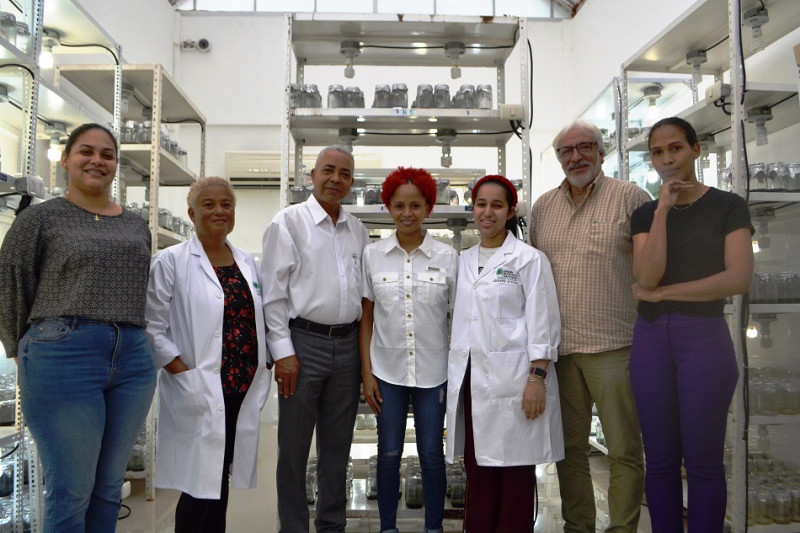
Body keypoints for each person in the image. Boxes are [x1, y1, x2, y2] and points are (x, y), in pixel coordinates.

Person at [0, 123, 157, 532]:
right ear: (67, 159)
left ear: (115, 165)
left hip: (133, 359)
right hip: (62, 354)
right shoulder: (40, 219)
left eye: (107, 155)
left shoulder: (136, 224)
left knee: (108, 487)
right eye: (86, 151)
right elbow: (10, 282)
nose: (97, 161)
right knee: (71, 490)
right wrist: (22, 349)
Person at [629, 117, 753, 532]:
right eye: (658, 152)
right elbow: (646, 277)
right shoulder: (645, 213)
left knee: (702, 460)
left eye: (676, 148)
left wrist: (665, 294)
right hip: (650, 342)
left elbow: (738, 278)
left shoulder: (728, 205)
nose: (667, 159)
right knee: (660, 460)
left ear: (696, 149)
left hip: (704, 338)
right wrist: (663, 209)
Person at [529, 121, 649, 533]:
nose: (575, 157)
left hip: (616, 347)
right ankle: (578, 526)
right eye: (566, 151)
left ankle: (622, 529)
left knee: (624, 450)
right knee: (568, 450)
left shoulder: (630, 197)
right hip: (561, 352)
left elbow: (651, 267)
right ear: (559, 157)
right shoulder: (543, 207)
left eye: (584, 148)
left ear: (601, 151)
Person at [145, 177, 271, 532]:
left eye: (226, 204)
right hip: (199, 386)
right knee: (199, 484)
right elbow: (152, 326)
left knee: (219, 478)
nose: (219, 211)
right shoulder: (170, 261)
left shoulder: (247, 261)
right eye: (209, 204)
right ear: (191, 213)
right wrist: (182, 372)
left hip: (239, 388)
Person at [261, 146, 370, 532]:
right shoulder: (288, 223)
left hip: (347, 345)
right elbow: (272, 295)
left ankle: (331, 525)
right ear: (312, 175)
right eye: (328, 170)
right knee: (293, 450)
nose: (336, 179)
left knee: (337, 451)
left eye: (344, 173)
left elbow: (363, 295)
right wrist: (284, 353)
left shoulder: (357, 229)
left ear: (352, 182)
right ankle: (292, 527)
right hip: (302, 345)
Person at [446, 174, 562, 532]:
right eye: (481, 204)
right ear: (472, 208)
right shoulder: (462, 261)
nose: (487, 212)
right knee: (478, 475)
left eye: (497, 205)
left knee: (515, 477)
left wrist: (536, 378)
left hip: (517, 384)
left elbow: (542, 322)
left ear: (510, 211)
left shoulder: (528, 259)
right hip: (473, 384)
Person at [360, 167, 457, 533]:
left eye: (415, 205)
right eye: (398, 205)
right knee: (388, 454)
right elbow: (366, 318)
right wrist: (367, 374)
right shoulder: (373, 256)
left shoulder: (447, 258)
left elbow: (459, 318)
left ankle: (434, 527)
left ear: (428, 208)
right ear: (388, 207)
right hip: (387, 372)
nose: (407, 213)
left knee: (432, 455)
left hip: (435, 372)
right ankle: (388, 527)